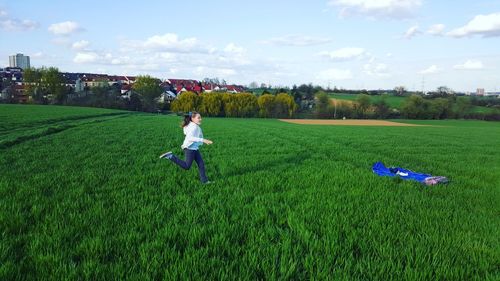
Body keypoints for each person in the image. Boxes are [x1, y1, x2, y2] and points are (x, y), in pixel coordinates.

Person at [159, 111, 213, 184]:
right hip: (190, 148)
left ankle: (204, 181)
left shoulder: (191, 125)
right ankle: (170, 156)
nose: (201, 119)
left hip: (194, 148)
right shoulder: (194, 127)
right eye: (199, 118)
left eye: (201, 117)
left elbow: (185, 132)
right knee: (187, 166)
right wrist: (203, 140)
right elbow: (190, 137)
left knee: (201, 164)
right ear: (192, 118)